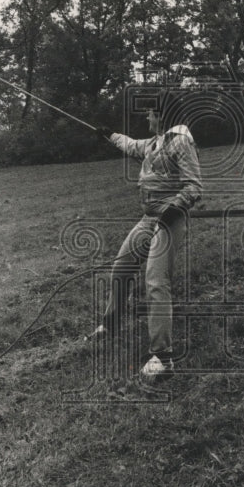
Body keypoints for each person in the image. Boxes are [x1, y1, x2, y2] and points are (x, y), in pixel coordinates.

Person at [90, 93, 203, 379]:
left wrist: (172, 209)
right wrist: (110, 135)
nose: (147, 118)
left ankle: (163, 357)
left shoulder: (181, 142)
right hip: (148, 219)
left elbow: (194, 187)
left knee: (155, 281)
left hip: (169, 222)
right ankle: (110, 325)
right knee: (121, 268)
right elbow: (132, 145)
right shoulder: (155, 142)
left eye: (150, 114)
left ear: (162, 117)